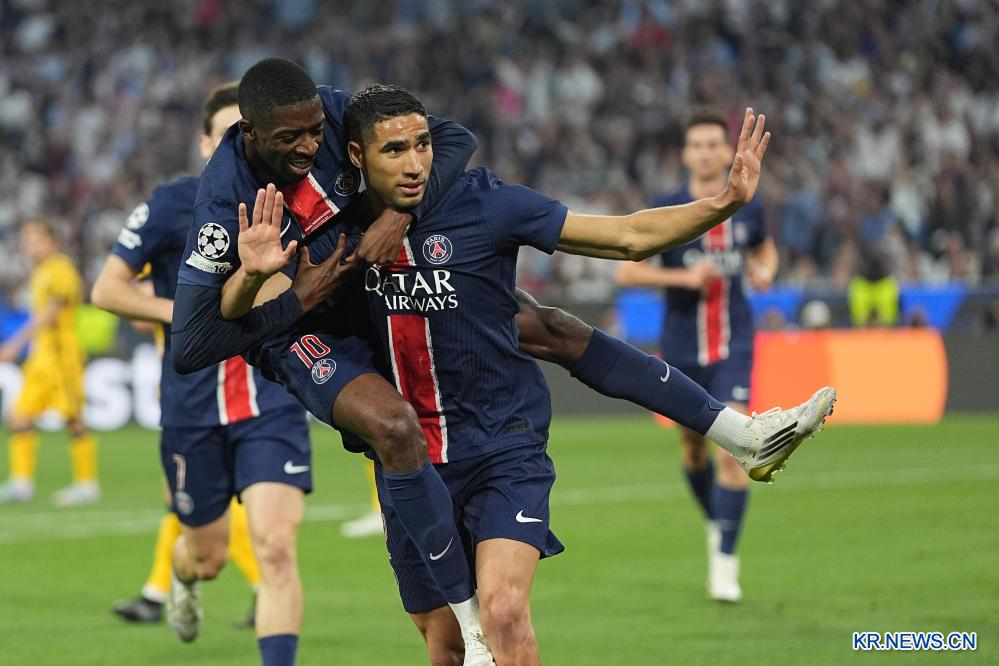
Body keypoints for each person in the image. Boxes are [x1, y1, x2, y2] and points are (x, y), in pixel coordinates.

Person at [338, 85, 835, 665]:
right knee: (446, 646)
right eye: (395, 150)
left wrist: (725, 203)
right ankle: (737, 436)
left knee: (503, 611)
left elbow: (628, 236)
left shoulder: (487, 203)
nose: (415, 163)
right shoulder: (335, 227)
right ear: (357, 155)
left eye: (423, 145)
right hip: (411, 463)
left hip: (502, 445)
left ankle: (740, 438)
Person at [90, 82, 312, 665]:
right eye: (227, 135)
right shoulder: (170, 204)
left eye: (251, 135)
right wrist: (191, 317)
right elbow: (106, 290)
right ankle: (183, 576)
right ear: (203, 143)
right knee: (207, 557)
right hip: (192, 406)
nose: (239, 147)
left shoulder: (297, 202)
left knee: (276, 547)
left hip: (270, 399)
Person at [617, 109, 779, 602]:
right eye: (697, 145)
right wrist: (681, 278)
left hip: (734, 344)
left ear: (727, 151)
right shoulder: (666, 208)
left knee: (735, 449)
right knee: (692, 450)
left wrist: (766, 271)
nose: (706, 153)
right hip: (682, 347)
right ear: (685, 154)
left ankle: (725, 564)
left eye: (713, 144)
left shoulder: (748, 205)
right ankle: (717, 520)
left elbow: (765, 250)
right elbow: (627, 272)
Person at [0, 219, 99, 507]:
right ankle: (21, 482)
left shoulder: (61, 269)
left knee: (73, 418)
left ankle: (87, 484)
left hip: (61, 356)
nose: (28, 246)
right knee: (19, 416)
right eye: (26, 240)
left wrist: (15, 344)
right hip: (41, 358)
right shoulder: (41, 272)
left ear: (51, 241)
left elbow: (52, 313)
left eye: (34, 239)